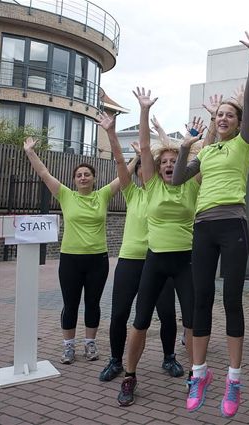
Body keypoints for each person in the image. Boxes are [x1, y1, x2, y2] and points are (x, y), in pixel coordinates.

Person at [171, 32, 249, 418]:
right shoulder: (206, 152)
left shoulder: (243, 144)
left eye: (229, 114)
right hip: (203, 228)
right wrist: (183, 147)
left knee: (231, 301)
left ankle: (235, 378)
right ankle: (200, 373)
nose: (223, 118)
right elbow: (176, 180)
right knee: (200, 298)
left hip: (232, 224)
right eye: (219, 115)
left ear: (238, 122)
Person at [116, 90, 203, 407]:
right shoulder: (150, 184)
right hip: (155, 261)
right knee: (140, 321)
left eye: (172, 161)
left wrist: (193, 141)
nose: (168, 165)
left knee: (192, 321)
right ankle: (129, 376)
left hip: (185, 262)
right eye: (163, 162)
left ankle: (196, 375)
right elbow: (143, 146)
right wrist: (143, 111)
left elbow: (202, 154)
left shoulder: (191, 185)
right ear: (155, 167)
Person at [95, 113, 181, 383]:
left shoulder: (168, 192)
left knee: (167, 314)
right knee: (119, 313)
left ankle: (169, 358)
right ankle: (116, 361)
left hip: (158, 260)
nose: (145, 172)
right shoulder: (131, 193)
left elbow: (181, 161)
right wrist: (111, 133)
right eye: (142, 168)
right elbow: (121, 162)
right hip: (130, 261)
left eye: (149, 168)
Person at [23, 136, 121, 364]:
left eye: (87, 174)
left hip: (98, 259)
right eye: (79, 175)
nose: (83, 177)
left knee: (93, 304)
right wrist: (30, 152)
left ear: (94, 179)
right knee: (70, 304)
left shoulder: (103, 195)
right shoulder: (66, 195)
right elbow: (44, 174)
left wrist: (138, 155)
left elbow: (122, 177)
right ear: (75, 180)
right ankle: (68, 346)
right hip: (70, 260)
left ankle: (90, 344)